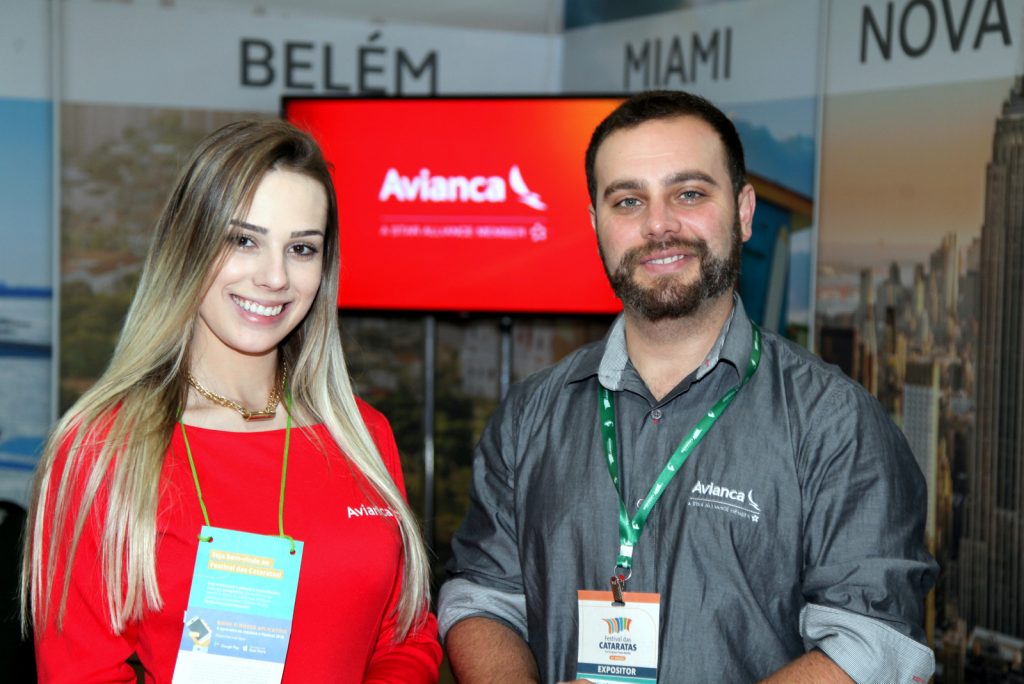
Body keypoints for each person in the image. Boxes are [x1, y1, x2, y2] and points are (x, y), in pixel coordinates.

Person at [439, 91, 938, 683]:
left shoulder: (836, 423)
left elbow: (871, 645)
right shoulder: (529, 416)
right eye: (628, 200)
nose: (658, 225)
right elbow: (480, 598)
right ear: (596, 224)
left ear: (744, 211)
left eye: (690, 193)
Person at [23, 120, 441, 683]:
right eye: (243, 240)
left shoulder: (362, 435)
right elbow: (81, 673)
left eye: (301, 248)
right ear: (188, 245)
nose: (274, 276)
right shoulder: (100, 449)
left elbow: (405, 638)